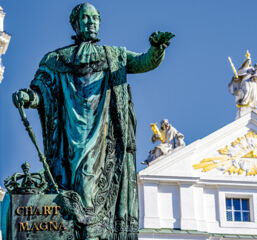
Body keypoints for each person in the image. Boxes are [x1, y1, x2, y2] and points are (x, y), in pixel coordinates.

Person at [12, 3, 174, 239]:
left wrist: (157, 49)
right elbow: (42, 92)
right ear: (75, 24)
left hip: (103, 134)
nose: (92, 23)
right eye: (86, 18)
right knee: (73, 178)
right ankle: (78, 228)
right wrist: (28, 97)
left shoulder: (114, 55)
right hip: (70, 133)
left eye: (95, 18)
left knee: (91, 181)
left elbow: (143, 62)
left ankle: (90, 231)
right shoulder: (57, 59)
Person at [228, 54, 257, 119]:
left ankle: (252, 105)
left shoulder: (252, 69)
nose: (249, 63)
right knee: (246, 90)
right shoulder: (242, 70)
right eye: (248, 61)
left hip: (252, 82)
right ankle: (245, 103)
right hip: (245, 82)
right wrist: (236, 78)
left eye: (249, 62)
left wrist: (256, 76)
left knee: (253, 93)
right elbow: (238, 78)